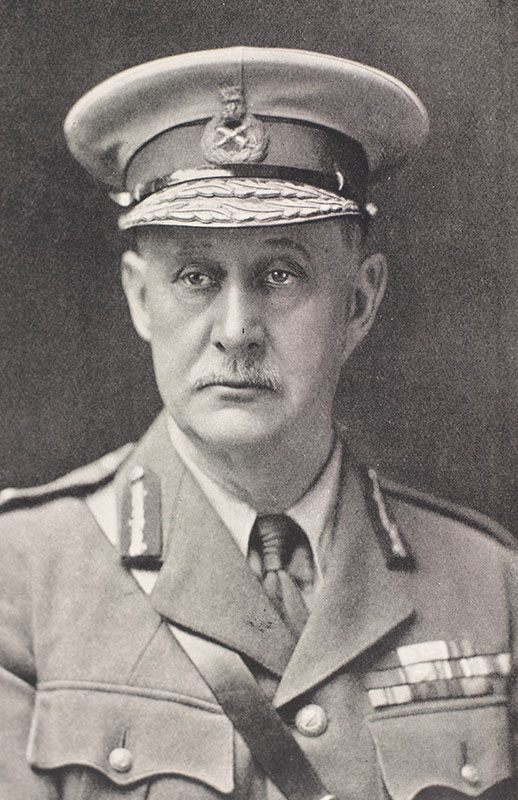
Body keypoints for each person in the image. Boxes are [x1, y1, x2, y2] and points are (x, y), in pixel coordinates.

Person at [0, 46, 516, 800]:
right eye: (196, 277)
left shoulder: (489, 585)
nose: (237, 330)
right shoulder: (21, 577)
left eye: (281, 274)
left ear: (360, 301)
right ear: (141, 299)